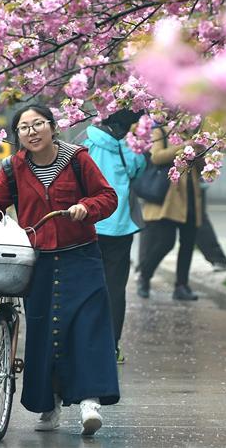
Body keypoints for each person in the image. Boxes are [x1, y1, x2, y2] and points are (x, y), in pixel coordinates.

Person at [0, 104, 119, 436]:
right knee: (46, 333)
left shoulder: (78, 159)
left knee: (87, 328)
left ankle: (89, 400)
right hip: (39, 261)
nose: (32, 131)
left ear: (53, 127)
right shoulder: (13, 167)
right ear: (17, 135)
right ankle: (50, 402)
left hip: (82, 257)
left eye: (38, 124)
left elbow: (107, 196)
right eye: (24, 127)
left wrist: (84, 208)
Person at [82, 110, 146, 364]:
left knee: (85, 286)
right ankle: (111, 346)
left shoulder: (83, 144)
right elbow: (137, 172)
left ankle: (85, 342)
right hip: (119, 227)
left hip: (88, 226)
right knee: (115, 290)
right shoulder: (129, 149)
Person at [136, 126, 202, 301]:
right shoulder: (161, 132)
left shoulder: (193, 135)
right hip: (168, 198)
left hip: (190, 196)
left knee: (188, 243)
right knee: (166, 242)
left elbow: (201, 168)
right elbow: (156, 157)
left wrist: (200, 151)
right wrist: (184, 147)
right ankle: (144, 276)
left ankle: (181, 286)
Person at [195, 185, 226, 271]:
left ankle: (218, 259)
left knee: (197, 222)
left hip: (190, 184)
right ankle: (218, 259)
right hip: (175, 184)